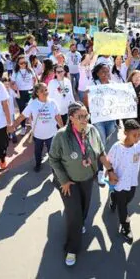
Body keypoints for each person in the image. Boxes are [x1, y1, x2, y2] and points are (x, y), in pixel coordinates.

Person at [48, 102, 117, 267]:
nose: (84, 119)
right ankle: (72, 249)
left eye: (86, 115)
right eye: (80, 116)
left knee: (85, 208)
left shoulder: (92, 130)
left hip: (87, 178)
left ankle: (79, 223)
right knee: (75, 216)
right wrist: (63, 180)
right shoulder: (61, 136)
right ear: (71, 118)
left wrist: (111, 170)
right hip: (68, 183)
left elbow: (100, 152)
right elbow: (53, 159)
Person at [14, 83, 63, 171]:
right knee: (38, 151)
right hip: (38, 135)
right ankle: (38, 164)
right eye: (42, 91)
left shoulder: (53, 102)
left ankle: (54, 167)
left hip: (51, 134)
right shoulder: (33, 104)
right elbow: (22, 116)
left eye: (46, 90)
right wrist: (13, 126)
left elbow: (58, 116)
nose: (45, 92)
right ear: (37, 93)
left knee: (52, 152)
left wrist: (63, 128)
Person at [84, 63, 116, 186]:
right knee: (102, 144)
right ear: (97, 73)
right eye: (103, 71)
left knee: (102, 141)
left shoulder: (113, 85)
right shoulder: (93, 85)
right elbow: (86, 103)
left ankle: (94, 151)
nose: (105, 74)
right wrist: (87, 96)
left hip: (111, 119)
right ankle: (100, 172)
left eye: (107, 71)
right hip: (98, 119)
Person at [11, 55, 37, 134]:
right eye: (21, 63)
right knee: (22, 110)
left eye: (25, 62)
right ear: (18, 64)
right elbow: (12, 83)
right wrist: (14, 87)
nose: (23, 64)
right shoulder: (15, 72)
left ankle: (33, 126)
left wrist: (34, 87)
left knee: (32, 109)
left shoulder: (30, 70)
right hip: (20, 93)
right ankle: (23, 126)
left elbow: (35, 80)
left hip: (30, 91)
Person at [2, 76, 19, 144]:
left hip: (11, 112)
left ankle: (13, 135)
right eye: (5, 84)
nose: (6, 86)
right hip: (4, 112)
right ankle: (10, 135)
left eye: (7, 84)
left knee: (11, 124)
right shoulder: (1, 92)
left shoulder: (11, 90)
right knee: (6, 124)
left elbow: (18, 96)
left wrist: (17, 90)